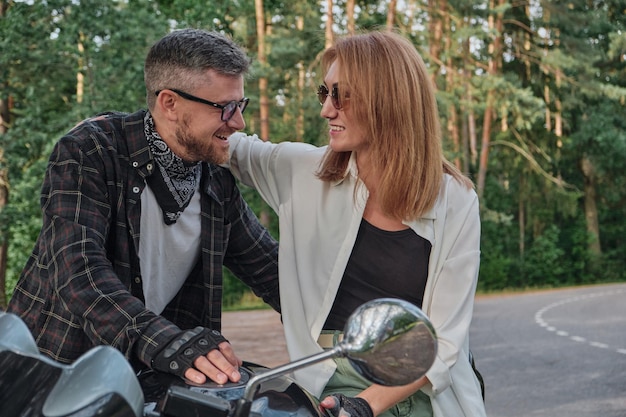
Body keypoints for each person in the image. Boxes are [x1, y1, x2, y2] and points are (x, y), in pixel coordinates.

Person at [226, 31, 486, 417]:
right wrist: (123, 131)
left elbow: (444, 339)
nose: (326, 111)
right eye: (324, 93)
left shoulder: (455, 201)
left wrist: (365, 405)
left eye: (341, 95)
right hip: (322, 386)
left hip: (417, 390)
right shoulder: (302, 171)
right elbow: (216, 139)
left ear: (389, 100)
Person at [7, 28, 280, 386]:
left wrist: (360, 318)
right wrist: (168, 343)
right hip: (50, 376)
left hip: (144, 384)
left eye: (239, 105)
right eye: (224, 108)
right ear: (169, 103)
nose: (239, 122)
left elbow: (271, 271)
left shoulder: (216, 178)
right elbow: (78, 273)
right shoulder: (90, 152)